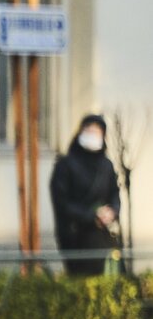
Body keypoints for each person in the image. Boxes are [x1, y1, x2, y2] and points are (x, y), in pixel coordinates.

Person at [50, 113, 120, 276]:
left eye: (97, 132)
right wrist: (91, 215)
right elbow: (61, 201)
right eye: (89, 130)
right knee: (79, 277)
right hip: (74, 234)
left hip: (101, 234)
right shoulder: (65, 165)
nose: (92, 135)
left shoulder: (106, 165)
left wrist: (112, 211)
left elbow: (114, 193)